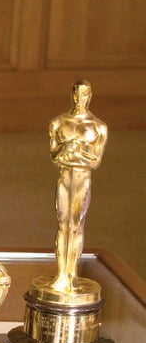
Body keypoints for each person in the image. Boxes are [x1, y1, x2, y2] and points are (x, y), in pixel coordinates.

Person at [48, 79, 107, 294]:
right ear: (71, 95)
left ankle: (71, 274)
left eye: (83, 94)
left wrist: (73, 152)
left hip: (82, 178)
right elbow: (55, 156)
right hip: (64, 177)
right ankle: (61, 274)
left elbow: (96, 160)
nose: (79, 98)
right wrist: (73, 153)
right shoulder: (58, 122)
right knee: (63, 224)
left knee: (76, 225)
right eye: (76, 93)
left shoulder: (98, 127)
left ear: (89, 96)